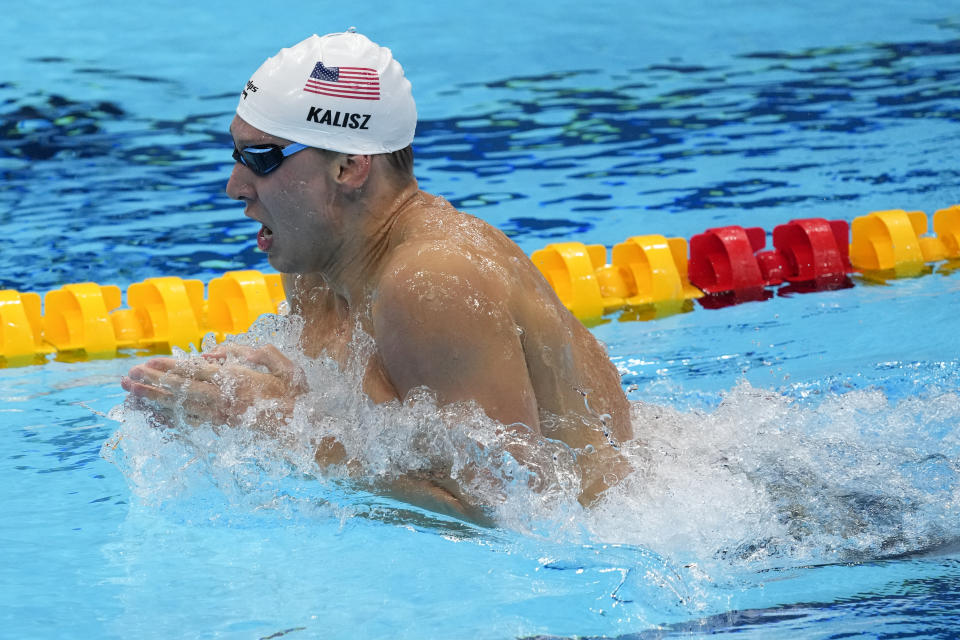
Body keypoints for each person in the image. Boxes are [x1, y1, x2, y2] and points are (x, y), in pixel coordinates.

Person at [121, 30, 632, 523]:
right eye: (238, 154)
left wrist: (282, 427)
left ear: (349, 167)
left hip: (624, 537)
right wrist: (273, 398)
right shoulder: (316, 264)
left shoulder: (433, 279)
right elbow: (390, 436)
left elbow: (517, 509)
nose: (235, 187)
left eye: (262, 159)